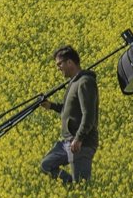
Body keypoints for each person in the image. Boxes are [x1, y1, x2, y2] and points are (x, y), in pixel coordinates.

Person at [37, 45, 99, 185]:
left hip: (81, 143)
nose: (58, 68)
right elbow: (70, 109)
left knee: (82, 185)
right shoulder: (74, 82)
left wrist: (79, 138)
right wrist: (51, 106)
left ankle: (76, 190)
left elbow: (89, 115)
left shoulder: (85, 82)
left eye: (60, 64)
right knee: (46, 165)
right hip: (67, 142)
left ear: (70, 62)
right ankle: (71, 187)